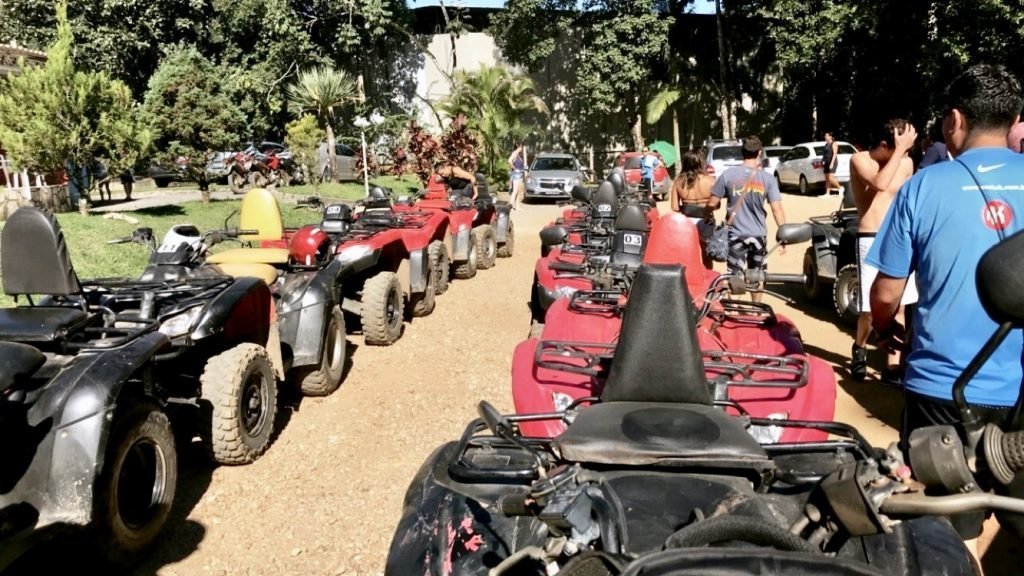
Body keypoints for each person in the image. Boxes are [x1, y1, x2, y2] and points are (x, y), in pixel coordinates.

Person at [867, 63, 1024, 555]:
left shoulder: (923, 187)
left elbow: (888, 293)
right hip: (1021, 391)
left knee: (946, 535)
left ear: (954, 120)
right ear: (1014, 119)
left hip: (943, 392)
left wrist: (884, 328)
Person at [848, 119, 918, 386]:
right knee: (868, 307)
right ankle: (860, 347)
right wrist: (899, 151)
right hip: (869, 235)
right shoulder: (860, 160)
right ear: (886, 144)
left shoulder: (907, 163)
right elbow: (879, 183)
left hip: (899, 236)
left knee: (898, 304)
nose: (907, 152)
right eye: (902, 146)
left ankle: (892, 365)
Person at [706, 135, 786, 303]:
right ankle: (756, 310)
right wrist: (784, 235)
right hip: (758, 235)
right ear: (760, 153)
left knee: (734, 274)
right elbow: (777, 209)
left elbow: (712, 203)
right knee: (757, 274)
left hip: (736, 235)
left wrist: (707, 214)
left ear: (742, 152)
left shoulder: (728, 175)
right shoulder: (768, 179)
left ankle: (735, 309)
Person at [670, 149, 718, 268]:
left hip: (687, 221)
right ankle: (708, 279)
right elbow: (716, 205)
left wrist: (687, 207)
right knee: (706, 253)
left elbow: (675, 207)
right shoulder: (711, 181)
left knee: (688, 252)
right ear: (701, 162)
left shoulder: (678, 182)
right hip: (706, 220)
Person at [507, 143, 526, 210]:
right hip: (516, 174)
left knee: (518, 191)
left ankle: (517, 206)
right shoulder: (514, 153)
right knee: (515, 191)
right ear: (519, 147)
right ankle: (510, 205)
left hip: (520, 173)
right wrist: (514, 168)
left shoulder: (519, 154)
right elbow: (509, 160)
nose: (522, 148)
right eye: (521, 147)